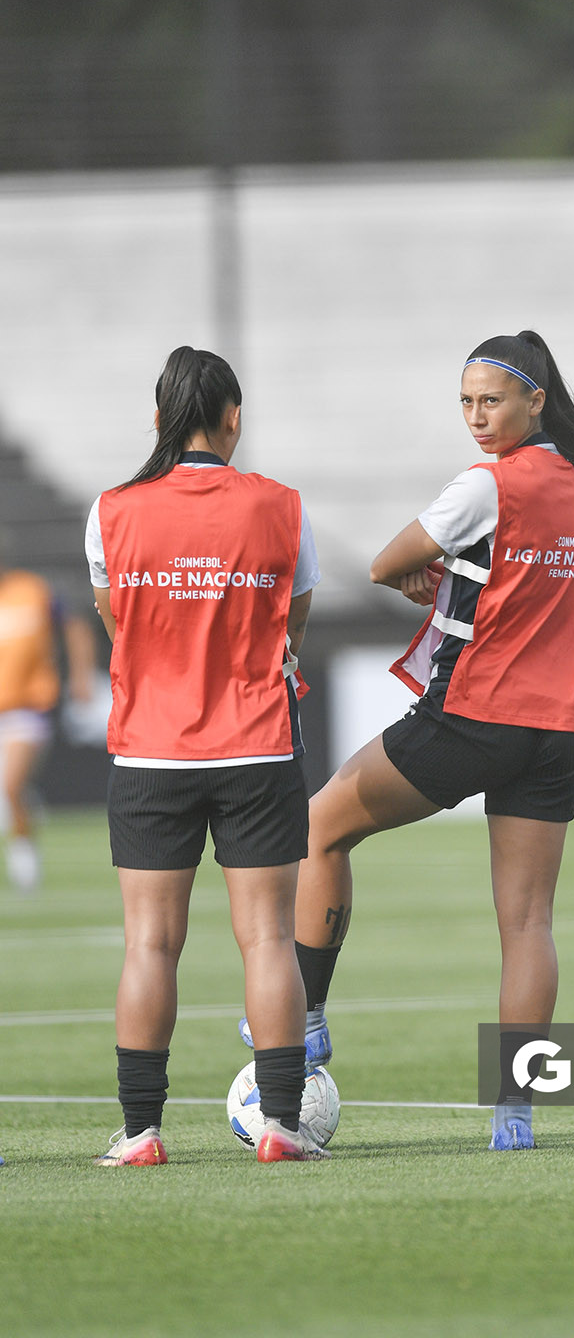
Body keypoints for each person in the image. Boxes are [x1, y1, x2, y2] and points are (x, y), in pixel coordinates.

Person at [244, 329, 574, 1150]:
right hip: (559, 731)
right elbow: (506, 589)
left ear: (535, 401)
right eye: (465, 402)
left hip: (475, 716)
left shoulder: (487, 485)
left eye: (491, 400)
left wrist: (423, 571)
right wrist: (448, 577)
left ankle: (304, 1022)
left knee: (317, 828)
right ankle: (514, 1114)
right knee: (528, 926)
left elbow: (386, 563)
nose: (477, 417)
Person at [85, 345, 325, 1165]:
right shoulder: (282, 507)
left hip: (152, 749)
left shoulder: (112, 509)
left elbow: (116, 619)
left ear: (157, 420)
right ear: (233, 418)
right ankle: (281, 1126)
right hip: (256, 745)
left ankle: (142, 1132)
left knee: (150, 944)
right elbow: (293, 630)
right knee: (267, 940)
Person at [0, 538, 96, 892]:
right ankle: (25, 817)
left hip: (27, 707)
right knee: (10, 792)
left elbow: (75, 626)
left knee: (11, 784)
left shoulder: (32, 591)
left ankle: (23, 856)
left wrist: (82, 675)